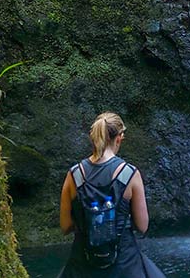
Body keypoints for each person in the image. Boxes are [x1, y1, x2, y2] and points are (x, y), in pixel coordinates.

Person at [58, 112, 166, 278]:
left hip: (83, 266)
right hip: (125, 265)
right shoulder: (130, 174)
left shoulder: (74, 175)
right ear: (119, 138)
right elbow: (142, 226)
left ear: (92, 137)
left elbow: (65, 226)